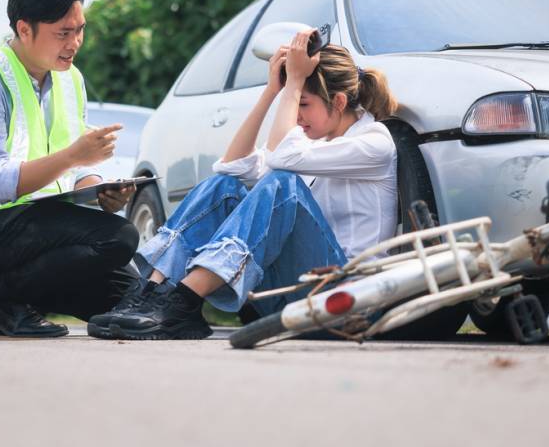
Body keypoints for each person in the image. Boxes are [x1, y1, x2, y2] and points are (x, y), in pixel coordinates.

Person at [88, 29, 399, 340]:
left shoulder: (373, 143)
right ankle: (153, 293)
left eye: (303, 104)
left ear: (340, 101)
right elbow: (233, 166)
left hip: (346, 301)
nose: (297, 117)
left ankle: (182, 301)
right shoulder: (308, 147)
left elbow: (282, 159)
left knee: (283, 184)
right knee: (223, 185)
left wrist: (293, 83)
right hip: (296, 293)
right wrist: (271, 91)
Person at [0, 0, 139, 337]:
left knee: (133, 298)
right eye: (63, 33)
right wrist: (73, 157)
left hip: (43, 223)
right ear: (24, 29)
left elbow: (78, 166)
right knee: (119, 237)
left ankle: (10, 291)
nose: (75, 42)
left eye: (79, 29)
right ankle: (0, 297)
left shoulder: (70, 78)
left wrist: (100, 190)